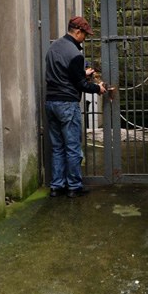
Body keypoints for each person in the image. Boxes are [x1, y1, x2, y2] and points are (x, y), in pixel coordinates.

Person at [45, 15, 107, 198]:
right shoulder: (75, 54)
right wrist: (98, 88)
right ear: (78, 32)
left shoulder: (53, 47)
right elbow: (80, 85)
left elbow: (63, 74)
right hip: (67, 104)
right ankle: (74, 186)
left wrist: (82, 73)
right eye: (85, 35)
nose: (85, 39)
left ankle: (56, 186)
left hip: (51, 102)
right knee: (72, 147)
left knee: (57, 146)